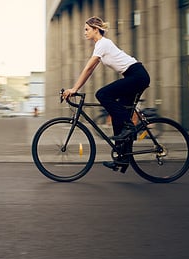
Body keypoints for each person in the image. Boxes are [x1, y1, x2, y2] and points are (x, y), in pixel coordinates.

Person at [61, 16, 150, 171]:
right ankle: (122, 159)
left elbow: (88, 68)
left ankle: (130, 126)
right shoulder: (100, 46)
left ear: (96, 29)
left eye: (87, 29)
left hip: (137, 76)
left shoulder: (103, 43)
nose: (84, 32)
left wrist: (74, 89)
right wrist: (77, 88)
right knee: (118, 117)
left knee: (102, 94)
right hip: (132, 77)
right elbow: (89, 72)